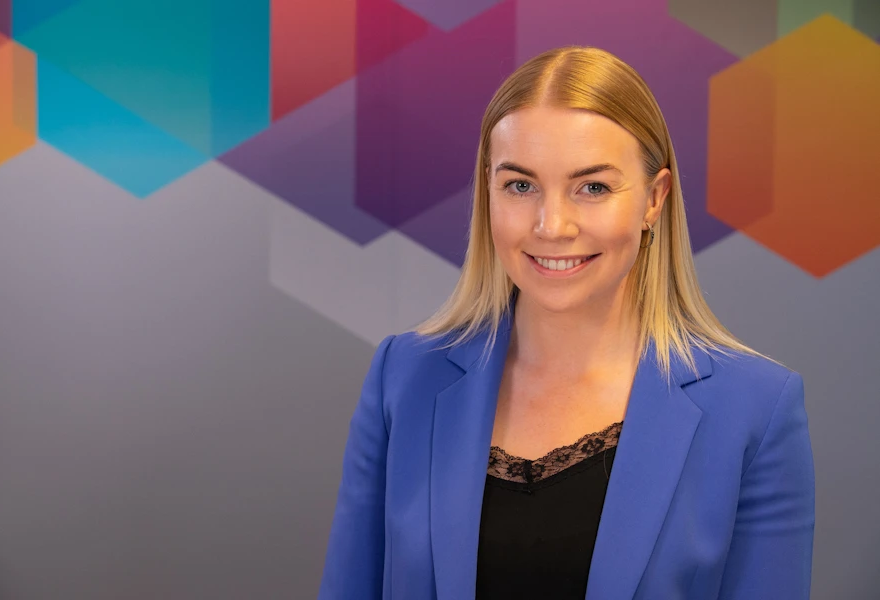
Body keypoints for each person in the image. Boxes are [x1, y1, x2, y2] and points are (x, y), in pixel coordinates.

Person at [318, 46, 815, 600]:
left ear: (654, 200)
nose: (551, 226)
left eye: (593, 187)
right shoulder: (403, 376)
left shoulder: (756, 408)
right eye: (521, 185)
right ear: (488, 191)